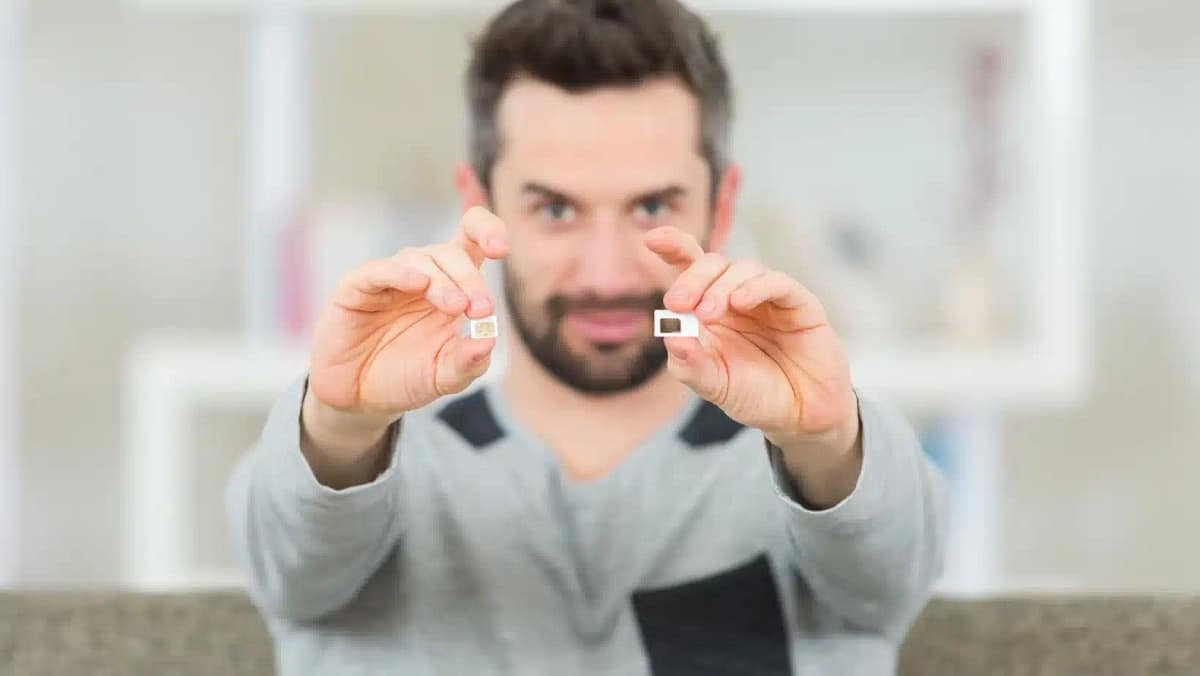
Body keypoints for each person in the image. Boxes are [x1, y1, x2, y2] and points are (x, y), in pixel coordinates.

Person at [226, 1, 949, 674]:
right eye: (556, 210)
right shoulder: (381, 469)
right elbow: (286, 563)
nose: (606, 275)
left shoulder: (817, 468)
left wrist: (826, 443)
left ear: (721, 206)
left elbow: (893, 568)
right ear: (479, 202)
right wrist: (340, 427)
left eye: (653, 206)